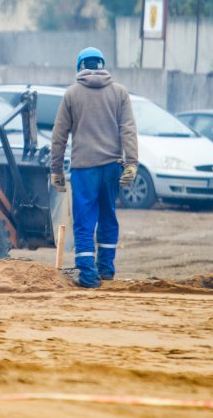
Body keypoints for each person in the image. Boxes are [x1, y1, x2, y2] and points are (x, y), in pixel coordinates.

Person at [49, 47, 138, 288]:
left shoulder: (72, 94)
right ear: (101, 65)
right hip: (111, 167)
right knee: (108, 216)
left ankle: (88, 275)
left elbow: (59, 136)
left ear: (80, 67)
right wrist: (131, 163)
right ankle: (106, 270)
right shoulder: (119, 93)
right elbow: (128, 129)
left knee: (84, 220)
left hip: (84, 169)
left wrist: (55, 170)